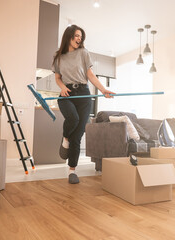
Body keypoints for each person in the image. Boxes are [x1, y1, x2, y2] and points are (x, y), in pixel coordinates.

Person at [52, 25, 115, 184]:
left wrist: (103, 90)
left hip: (84, 95)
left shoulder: (84, 53)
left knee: (78, 135)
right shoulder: (59, 57)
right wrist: (62, 87)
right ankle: (65, 137)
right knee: (72, 118)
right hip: (67, 94)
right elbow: (58, 78)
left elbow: (90, 75)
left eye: (81, 36)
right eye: (76, 36)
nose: (79, 39)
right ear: (69, 36)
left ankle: (72, 171)